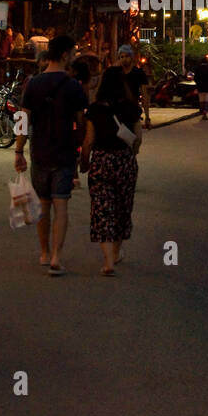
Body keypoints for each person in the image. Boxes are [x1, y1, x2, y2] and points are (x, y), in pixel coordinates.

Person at [15, 34, 88, 276]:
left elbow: (23, 120)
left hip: (40, 153)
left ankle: (45, 253)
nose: (75, 57)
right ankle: (57, 256)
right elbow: (81, 123)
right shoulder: (73, 86)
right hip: (64, 154)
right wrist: (80, 152)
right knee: (61, 204)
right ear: (65, 54)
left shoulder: (33, 84)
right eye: (73, 53)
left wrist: (18, 150)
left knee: (44, 205)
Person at [79, 67, 142, 276]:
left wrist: (84, 162)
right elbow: (138, 138)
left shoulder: (95, 109)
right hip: (124, 161)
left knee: (102, 210)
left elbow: (88, 141)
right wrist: (131, 153)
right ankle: (116, 252)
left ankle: (108, 262)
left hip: (101, 162)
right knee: (123, 207)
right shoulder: (132, 108)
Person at [116, 43, 152, 128]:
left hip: (133, 110)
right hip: (117, 112)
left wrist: (147, 117)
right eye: (122, 57)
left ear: (131, 58)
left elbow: (144, 95)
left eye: (127, 56)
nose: (124, 59)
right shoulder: (115, 73)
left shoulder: (138, 73)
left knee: (136, 139)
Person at [193, 57, 208, 121]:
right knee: (207, 101)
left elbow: (195, 78)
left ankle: (203, 113)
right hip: (207, 88)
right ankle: (205, 113)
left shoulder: (198, 69)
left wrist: (198, 84)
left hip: (200, 88)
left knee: (201, 101)